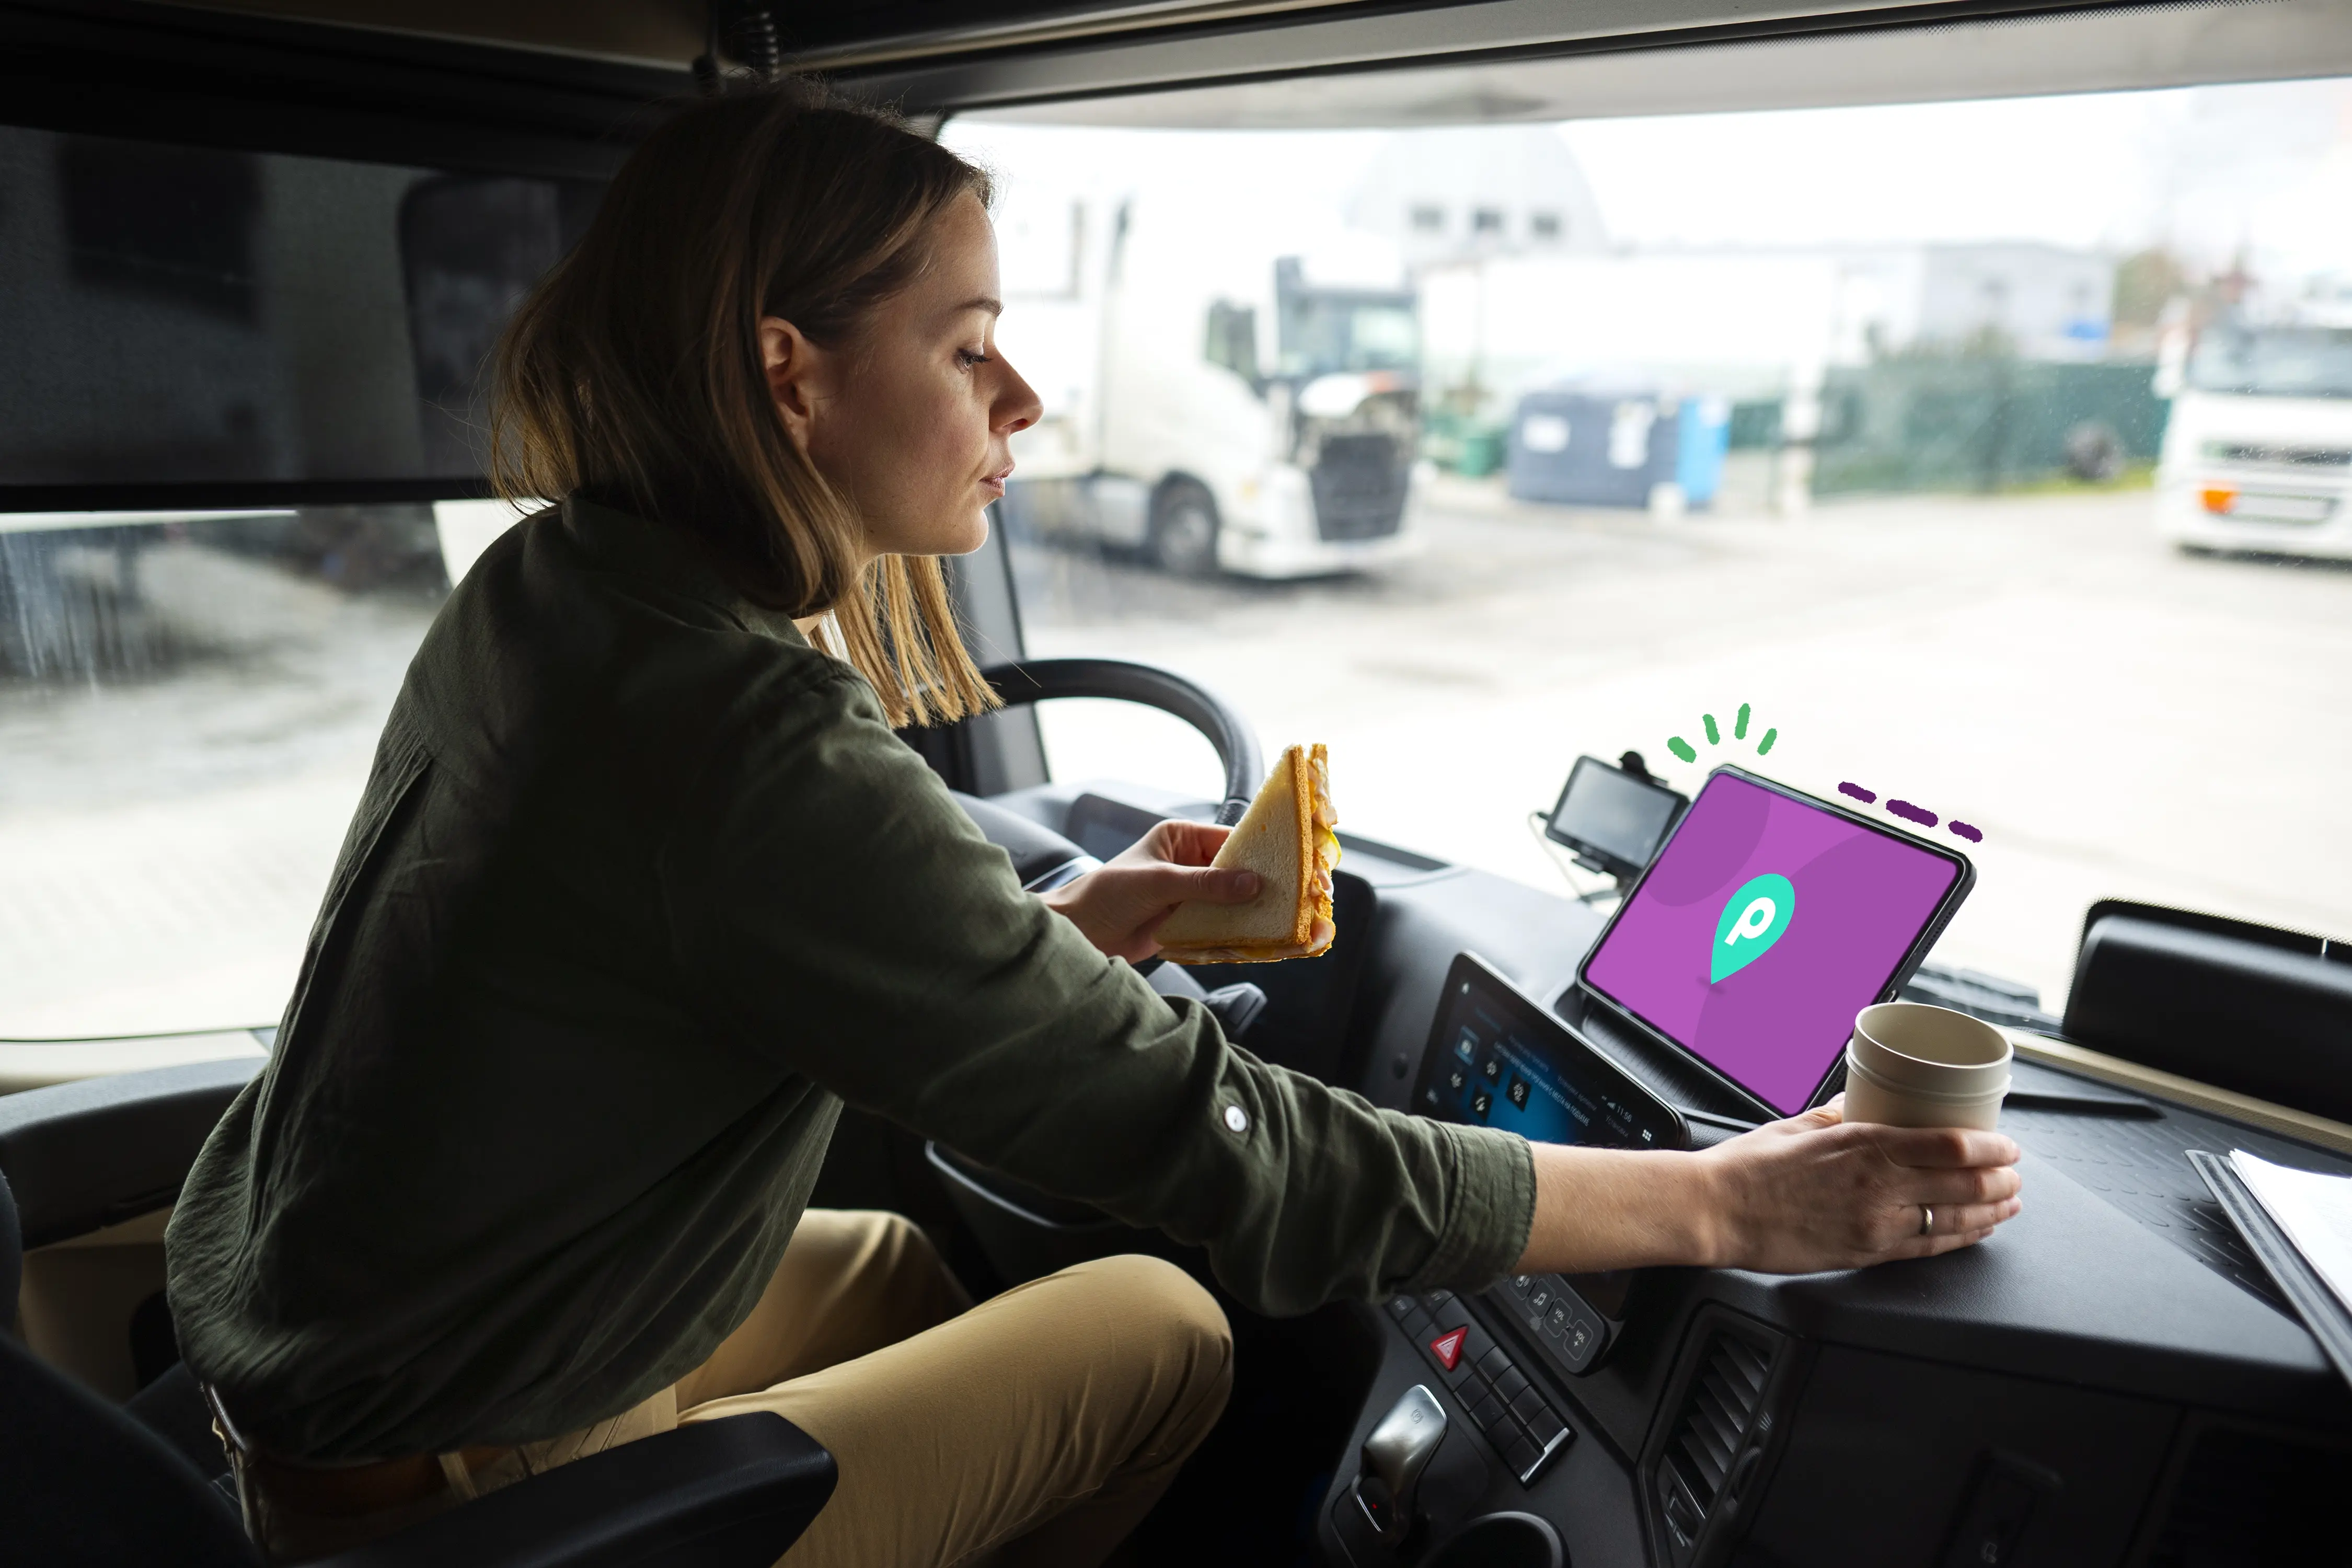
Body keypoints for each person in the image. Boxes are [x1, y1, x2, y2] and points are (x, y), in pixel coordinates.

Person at [164, 84, 2023, 1568]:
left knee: (900, 1267)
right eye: (967, 344)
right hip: (465, 1478)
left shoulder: (569, 589)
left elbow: (715, 943)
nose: (1023, 401)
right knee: (1165, 1333)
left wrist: (1088, 930)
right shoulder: (740, 732)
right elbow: (1251, 1168)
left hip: (356, 1352)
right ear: (785, 368)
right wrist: (1721, 1198)